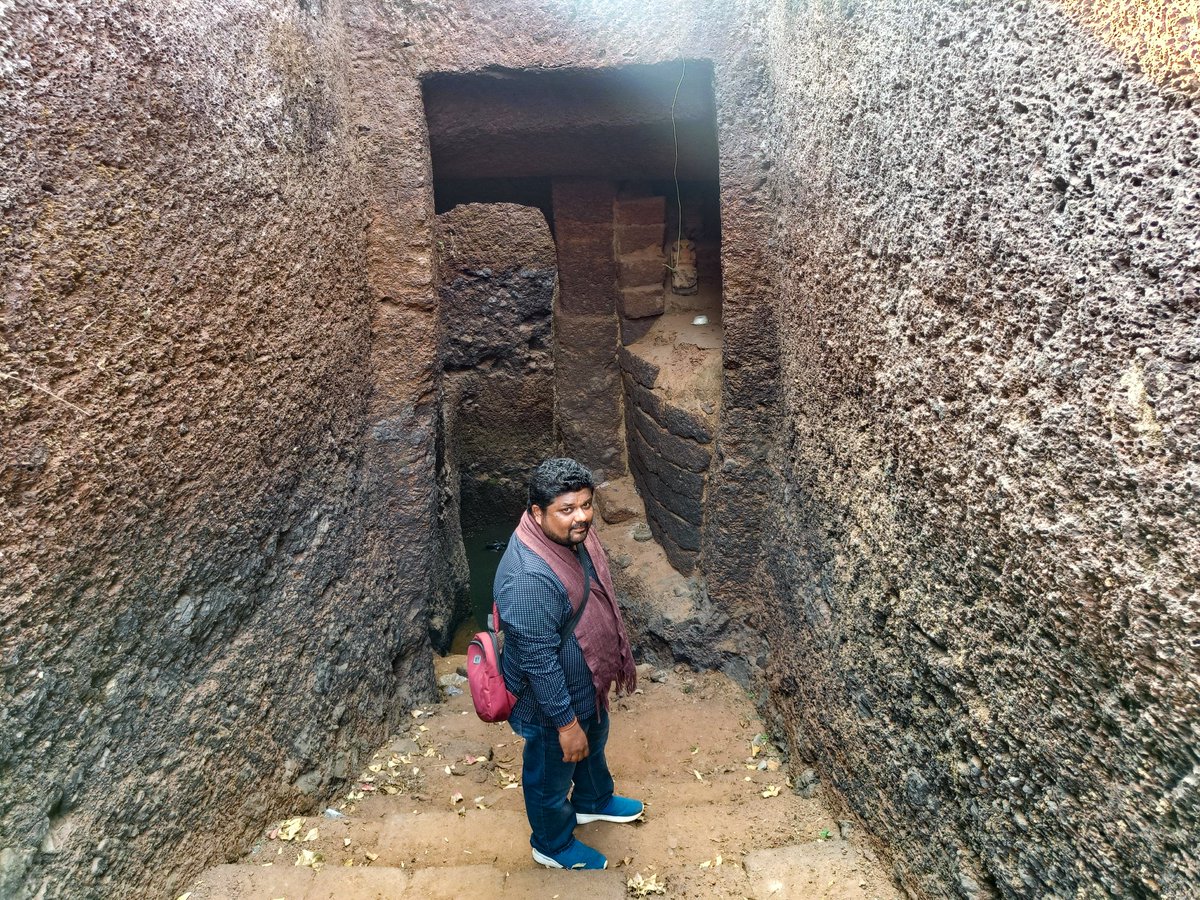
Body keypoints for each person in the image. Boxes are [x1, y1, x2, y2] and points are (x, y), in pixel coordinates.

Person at [494, 457, 642, 870]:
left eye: (586, 504)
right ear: (537, 512)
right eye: (567, 509)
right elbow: (539, 662)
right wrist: (565, 725)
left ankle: (594, 800)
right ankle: (552, 844)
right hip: (549, 705)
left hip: (586, 682)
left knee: (594, 741)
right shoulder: (528, 578)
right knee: (549, 776)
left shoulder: (567, 540)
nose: (582, 518)